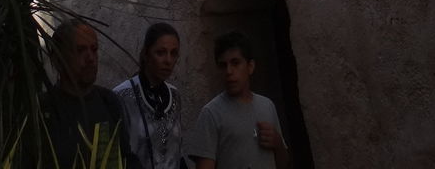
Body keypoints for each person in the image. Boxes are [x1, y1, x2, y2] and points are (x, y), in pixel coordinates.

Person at [42, 18, 141, 169]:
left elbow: (126, 158)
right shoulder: (45, 109)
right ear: (58, 58)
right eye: (80, 50)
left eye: (94, 49)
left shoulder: (109, 101)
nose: (90, 58)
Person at [186, 31, 289, 169]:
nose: (229, 71)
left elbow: (284, 164)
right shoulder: (211, 114)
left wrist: (278, 144)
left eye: (235, 63)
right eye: (223, 65)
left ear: (250, 66)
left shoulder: (267, 106)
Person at [113, 21, 186, 169]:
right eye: (160, 53)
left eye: (173, 53)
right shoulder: (122, 96)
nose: (168, 60)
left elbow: (176, 152)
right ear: (146, 53)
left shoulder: (175, 95)